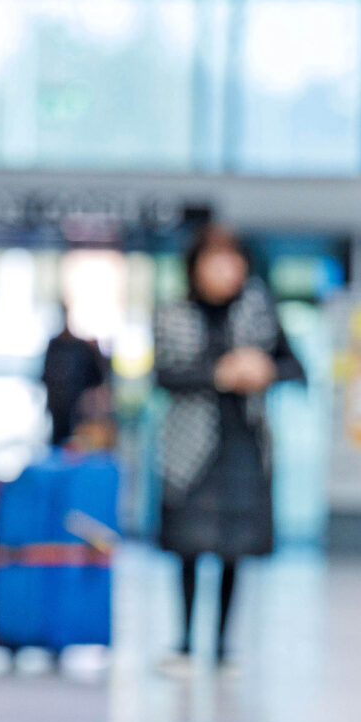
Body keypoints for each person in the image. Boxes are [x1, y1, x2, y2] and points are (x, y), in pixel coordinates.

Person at [153, 225, 303, 673]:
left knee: (234, 548)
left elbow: (295, 366)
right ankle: (182, 642)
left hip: (244, 443)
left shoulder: (260, 314)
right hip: (189, 448)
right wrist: (218, 373)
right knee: (188, 546)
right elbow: (163, 376)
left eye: (232, 261)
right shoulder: (173, 314)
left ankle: (220, 646)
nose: (224, 270)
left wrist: (263, 370)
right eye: (214, 261)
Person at [41, 306, 110, 450]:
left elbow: (97, 379)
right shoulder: (55, 346)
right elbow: (46, 376)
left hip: (78, 412)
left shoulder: (82, 349)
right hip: (59, 410)